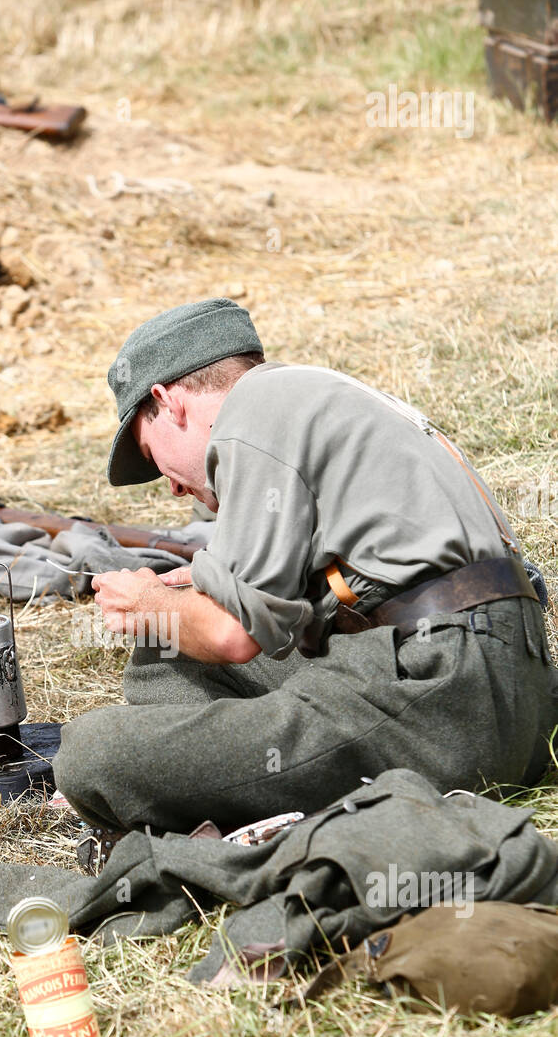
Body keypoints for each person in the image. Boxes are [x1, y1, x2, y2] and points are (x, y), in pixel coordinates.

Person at [52, 298, 558, 840]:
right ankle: (227, 795)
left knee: (91, 753)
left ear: (169, 402)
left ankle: (219, 813)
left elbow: (231, 636)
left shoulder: (251, 415)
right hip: (511, 696)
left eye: (155, 458)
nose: (173, 485)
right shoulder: (307, 395)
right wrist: (188, 600)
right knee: (166, 652)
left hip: (449, 703)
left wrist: (148, 604)